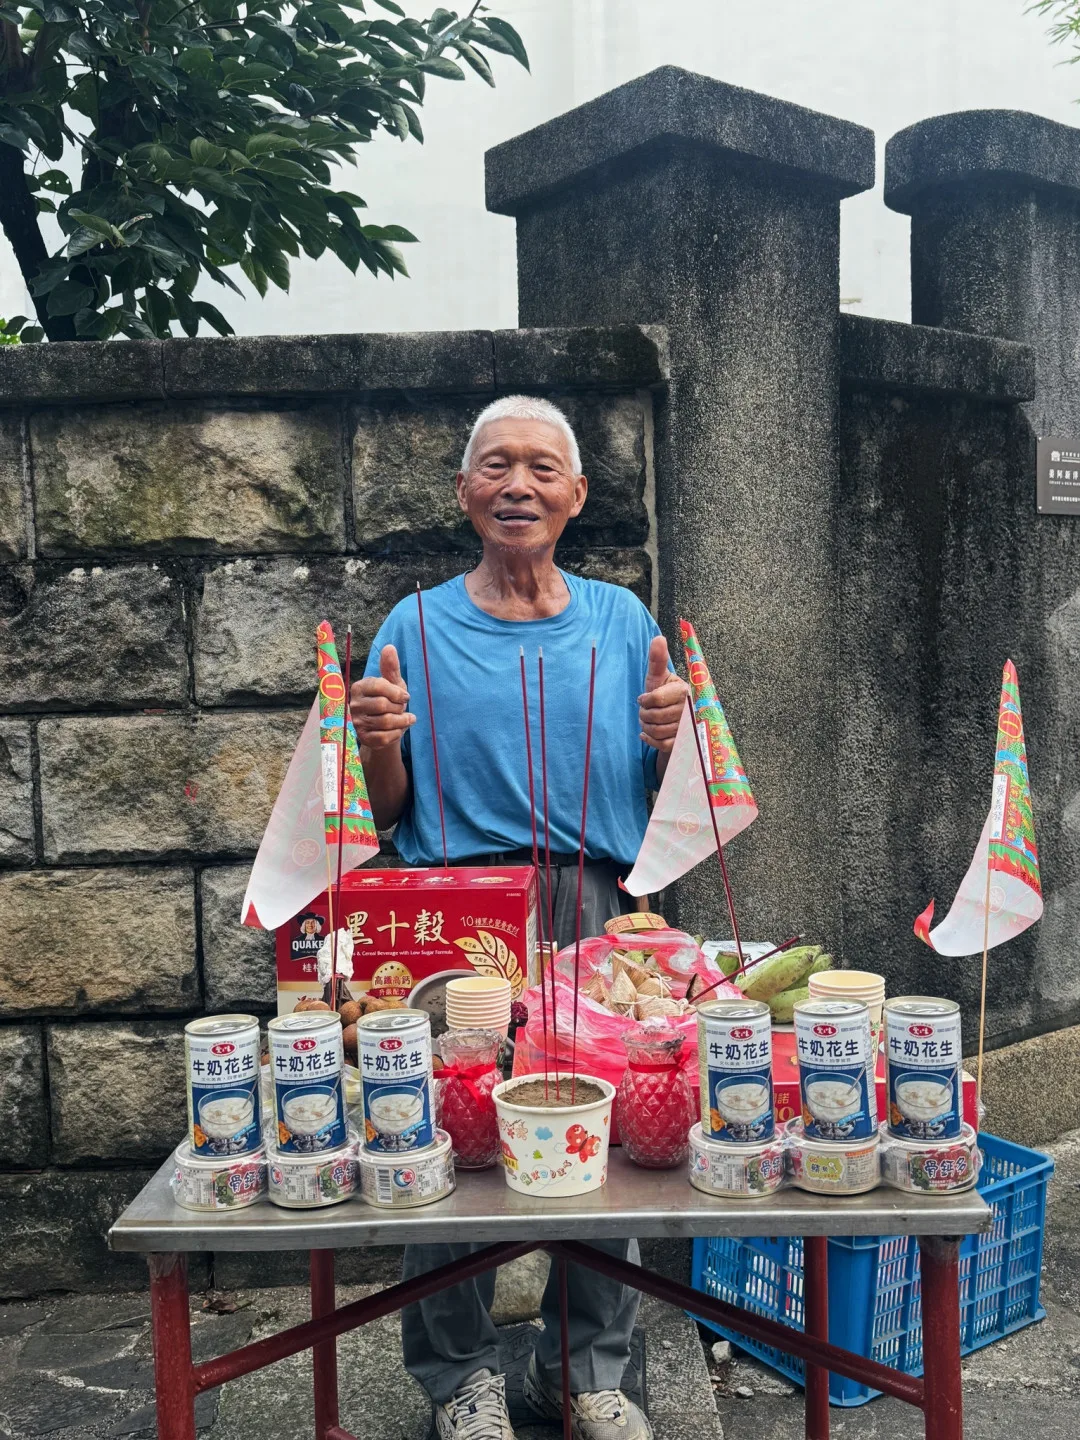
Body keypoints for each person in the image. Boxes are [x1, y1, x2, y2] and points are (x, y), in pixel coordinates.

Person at [350, 396, 688, 1440]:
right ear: (464, 492)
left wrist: (679, 742)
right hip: (457, 915)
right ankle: (462, 1379)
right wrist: (375, 744)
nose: (518, 485)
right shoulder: (412, 624)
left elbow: (667, 792)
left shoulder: (624, 620)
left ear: (577, 496)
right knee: (448, 1136)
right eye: (495, 466)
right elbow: (385, 811)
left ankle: (589, 1371)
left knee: (615, 1144)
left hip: (597, 902)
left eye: (543, 468)